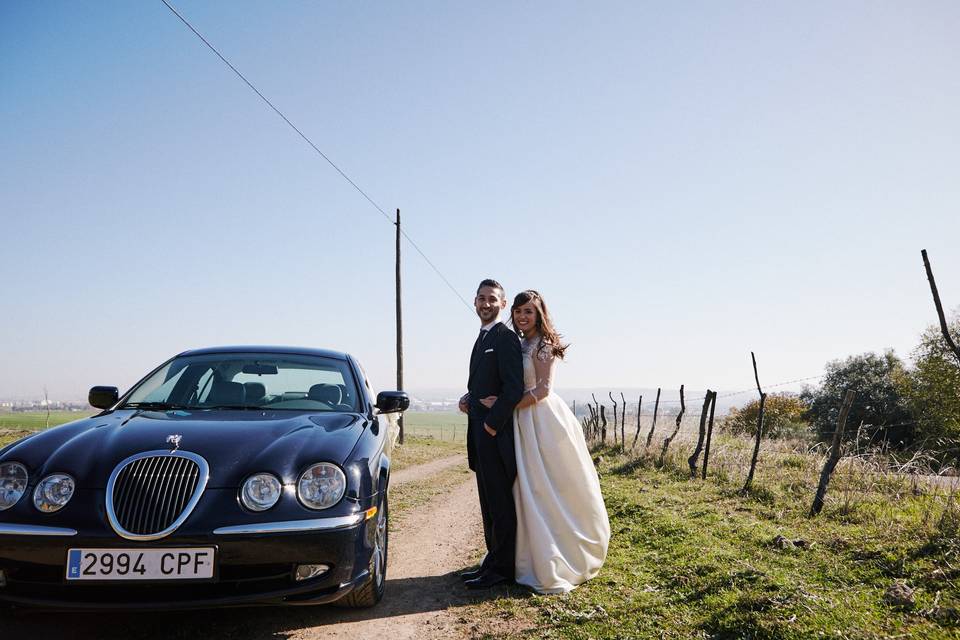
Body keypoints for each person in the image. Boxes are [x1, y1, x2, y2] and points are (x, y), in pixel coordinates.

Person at [480, 289, 609, 594]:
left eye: (529, 312)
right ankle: (522, 554)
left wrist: (504, 405)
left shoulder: (544, 347)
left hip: (540, 419)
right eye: (518, 311)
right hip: (519, 420)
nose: (522, 317)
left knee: (545, 484)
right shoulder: (519, 342)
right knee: (522, 486)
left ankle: (557, 553)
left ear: (539, 315)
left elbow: (542, 391)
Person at [458, 278, 524, 589]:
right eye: (482, 298)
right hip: (479, 434)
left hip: (495, 435)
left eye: (492, 299)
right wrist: (468, 398)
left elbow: (513, 389)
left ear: (503, 303)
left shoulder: (505, 337)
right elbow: (485, 383)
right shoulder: (482, 336)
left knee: (500, 503)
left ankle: (503, 570)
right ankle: (492, 563)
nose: (486, 304)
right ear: (474, 302)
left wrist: (491, 424)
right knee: (487, 502)